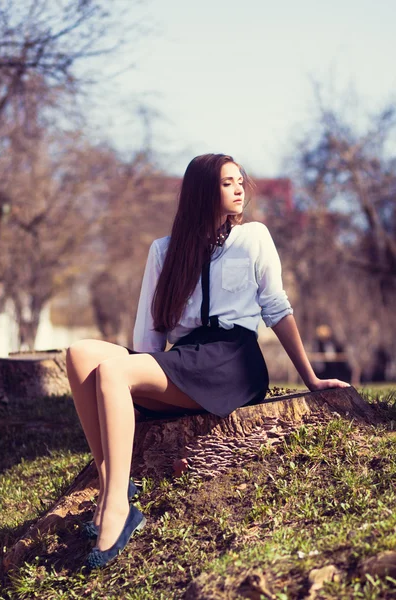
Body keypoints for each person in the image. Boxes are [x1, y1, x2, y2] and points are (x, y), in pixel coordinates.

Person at [66, 153, 350, 569]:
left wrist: (310, 378)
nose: (239, 189)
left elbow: (276, 309)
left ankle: (115, 509)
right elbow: (148, 336)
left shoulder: (254, 237)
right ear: (203, 192)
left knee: (112, 370)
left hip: (231, 361)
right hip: (184, 360)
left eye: (240, 181)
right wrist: (136, 389)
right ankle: (115, 485)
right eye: (227, 183)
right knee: (80, 354)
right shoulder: (164, 250)